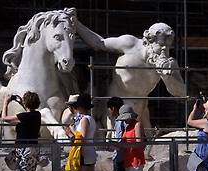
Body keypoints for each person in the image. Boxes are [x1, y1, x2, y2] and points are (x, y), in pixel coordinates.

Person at [75, 20, 186, 158]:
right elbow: (99, 43)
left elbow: (181, 94)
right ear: (148, 42)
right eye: (161, 45)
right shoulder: (130, 44)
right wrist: (76, 24)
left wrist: (167, 77)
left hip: (140, 109)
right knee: (114, 149)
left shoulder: (169, 63)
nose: (164, 50)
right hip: (115, 107)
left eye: (168, 46)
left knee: (141, 151)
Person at [1, 91, 50, 171]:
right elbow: (28, 114)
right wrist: (21, 102)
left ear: (26, 103)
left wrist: (6, 102)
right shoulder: (36, 115)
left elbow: (4, 118)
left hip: (26, 151)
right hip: (30, 150)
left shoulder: (25, 116)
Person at [66, 93, 98, 171]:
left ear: (79, 106)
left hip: (84, 154)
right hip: (89, 153)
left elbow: (82, 137)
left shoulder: (84, 119)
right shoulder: (90, 118)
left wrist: (69, 133)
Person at [105, 96, 127, 171]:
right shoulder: (121, 121)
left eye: (109, 109)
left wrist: (109, 143)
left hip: (120, 156)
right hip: (120, 155)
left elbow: (120, 141)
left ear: (113, 108)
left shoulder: (120, 121)